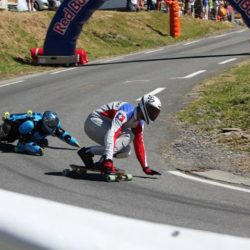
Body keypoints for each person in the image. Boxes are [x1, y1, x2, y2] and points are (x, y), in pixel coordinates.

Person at [78, 94, 162, 175]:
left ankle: (87, 152)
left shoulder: (140, 123)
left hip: (103, 125)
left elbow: (139, 144)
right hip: (94, 122)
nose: (153, 114)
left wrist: (145, 167)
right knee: (129, 135)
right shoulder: (126, 112)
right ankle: (105, 160)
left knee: (126, 151)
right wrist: (109, 160)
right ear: (144, 107)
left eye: (155, 113)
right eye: (151, 110)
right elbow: (113, 132)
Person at [0, 110, 80, 156]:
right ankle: (19, 147)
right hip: (13, 131)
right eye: (51, 124)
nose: (54, 126)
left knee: (44, 142)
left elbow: (62, 134)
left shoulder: (54, 125)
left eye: (54, 122)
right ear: (45, 123)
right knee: (25, 127)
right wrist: (9, 117)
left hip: (31, 136)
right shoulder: (32, 123)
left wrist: (72, 140)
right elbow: (23, 116)